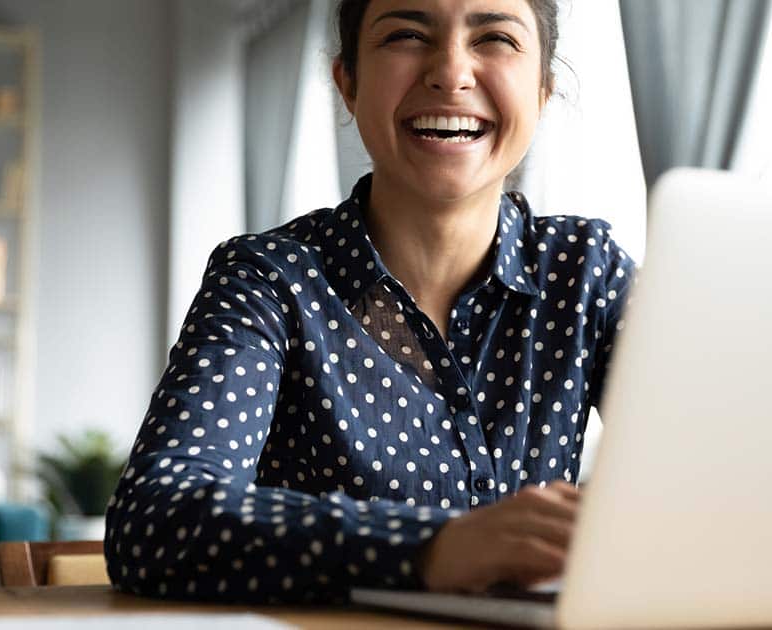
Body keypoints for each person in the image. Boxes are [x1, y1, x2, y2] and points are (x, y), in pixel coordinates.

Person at [105, 0, 634, 604]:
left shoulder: (588, 271)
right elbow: (153, 522)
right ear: (347, 84)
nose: (451, 73)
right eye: (408, 35)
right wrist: (432, 546)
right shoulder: (268, 279)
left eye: (494, 39)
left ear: (543, 89)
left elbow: (713, 480)